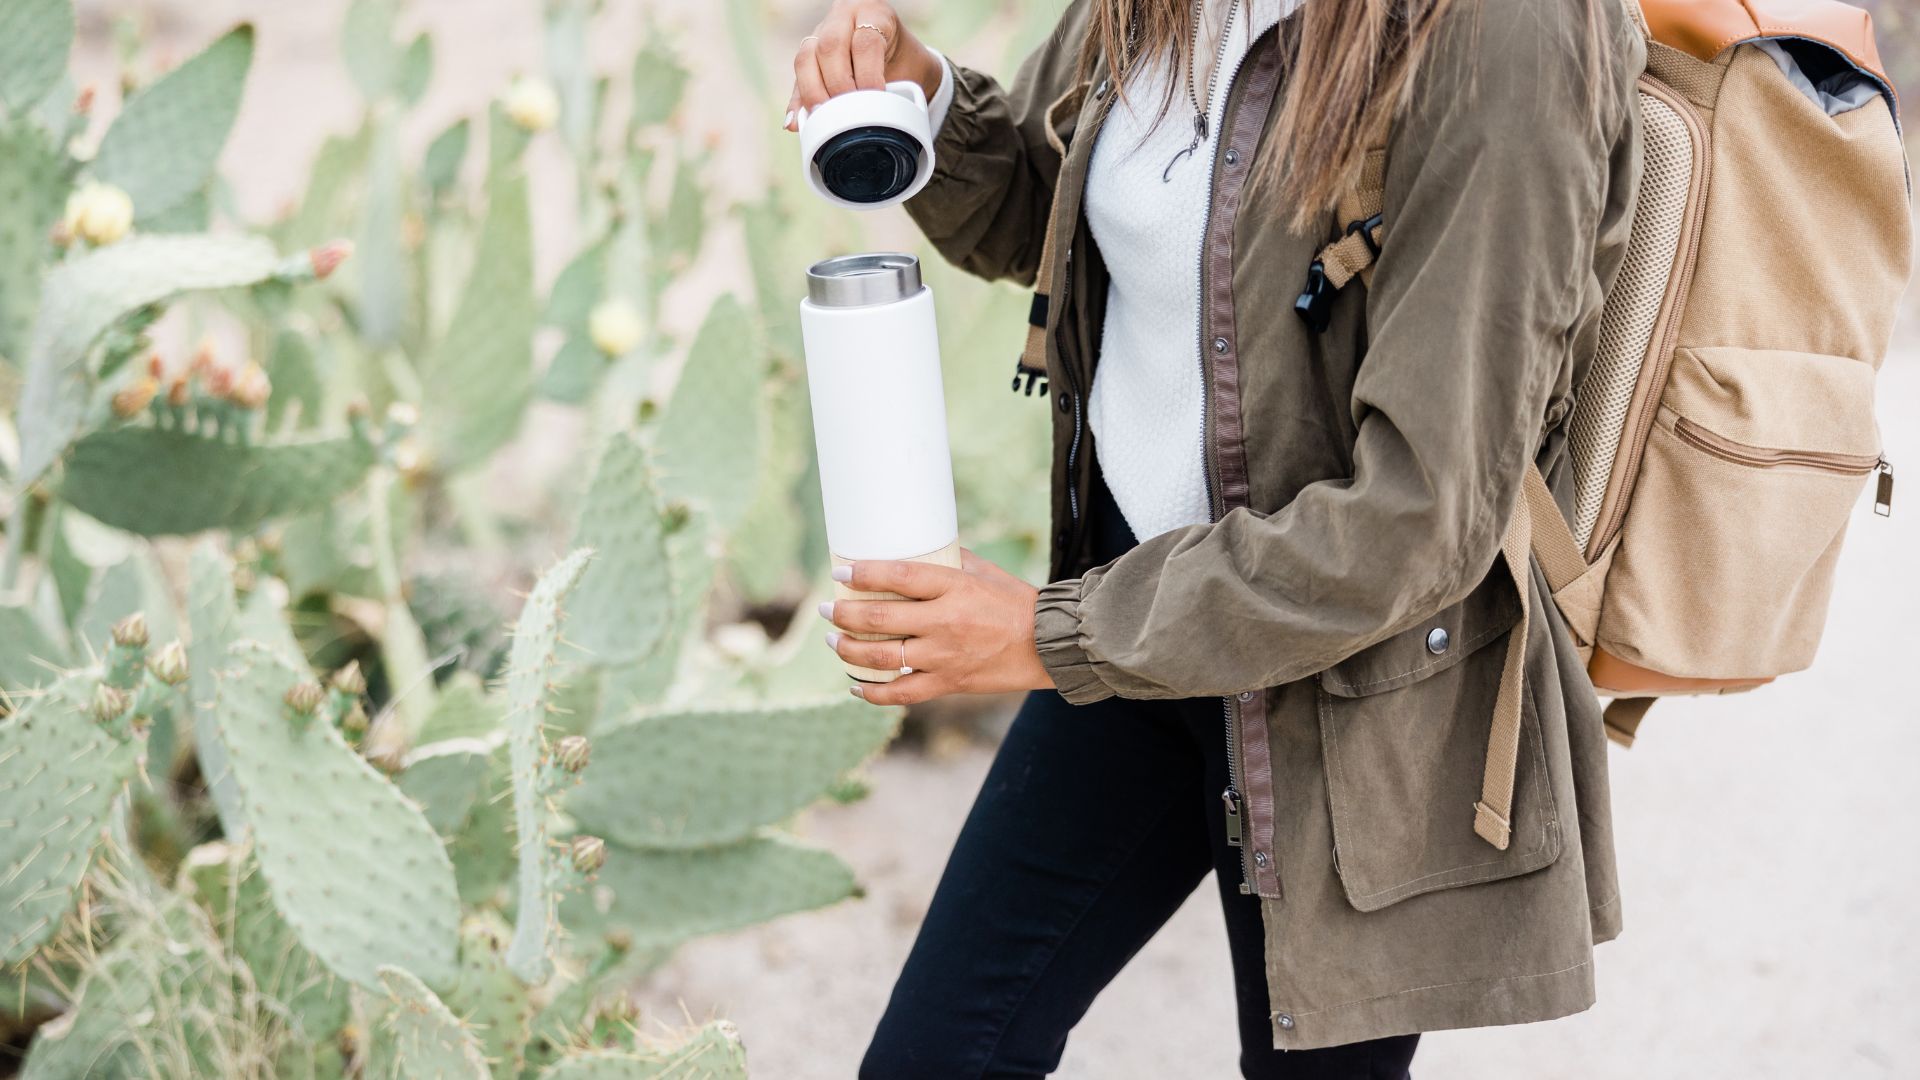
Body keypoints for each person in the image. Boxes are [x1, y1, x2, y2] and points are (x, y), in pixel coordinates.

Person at [787, 0, 1642, 1075]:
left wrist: (1050, 638)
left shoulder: (1511, 33)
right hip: (1139, 606)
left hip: (1351, 693)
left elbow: (1426, 513)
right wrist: (929, 103)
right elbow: (1057, 219)